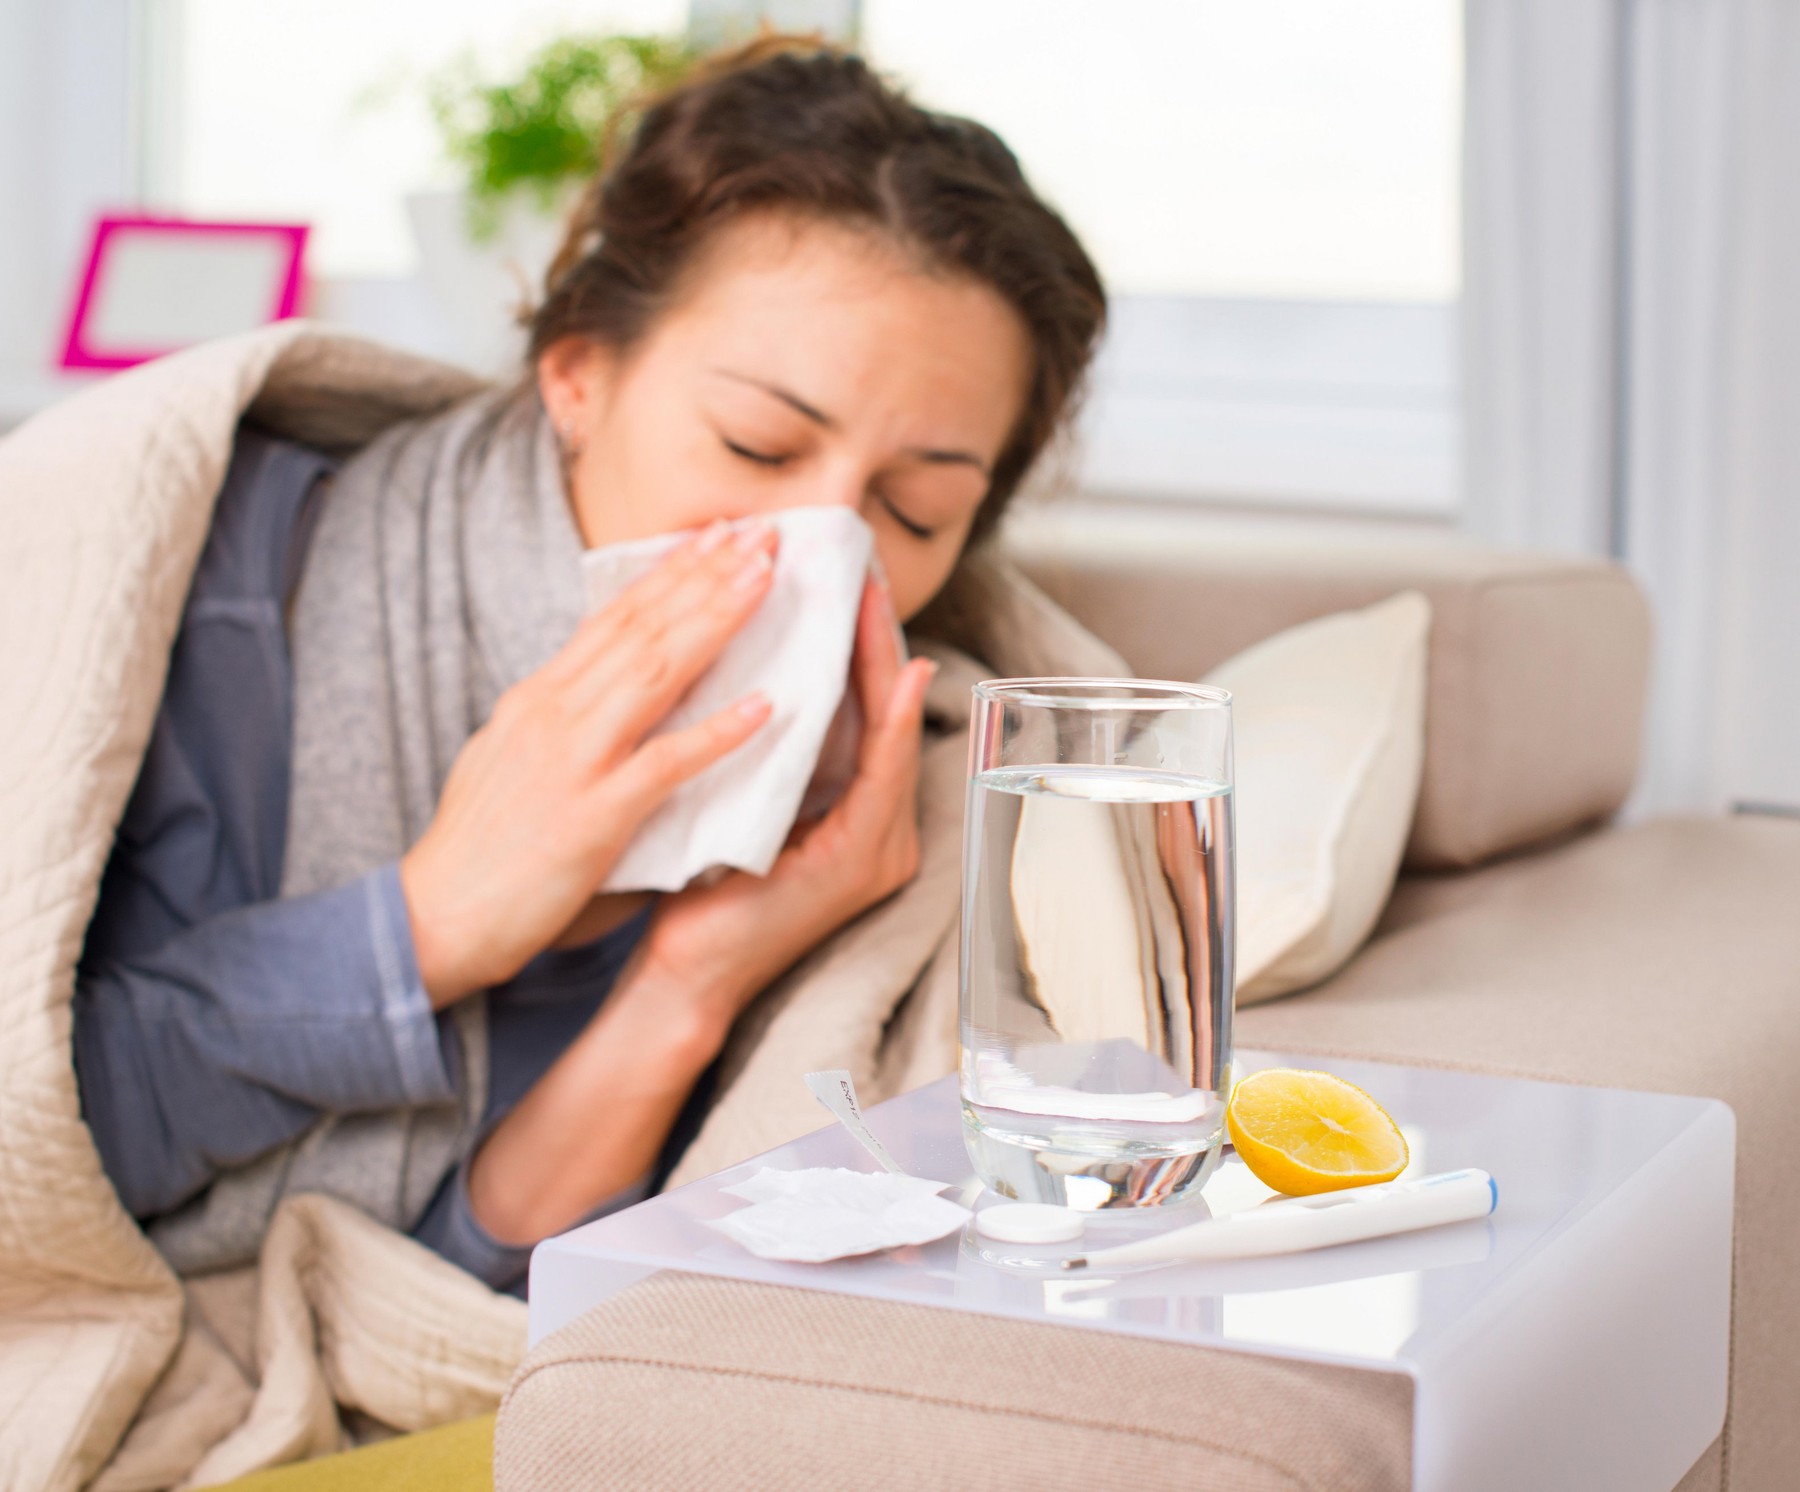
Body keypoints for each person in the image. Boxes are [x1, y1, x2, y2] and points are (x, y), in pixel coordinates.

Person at [72, 38, 1106, 1294]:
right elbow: (45, 1143)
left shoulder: (880, 799)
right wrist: (429, 924)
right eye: (757, 443)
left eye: (915, 510)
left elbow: (472, 1297)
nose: (823, 548)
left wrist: (687, 984)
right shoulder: (214, 586)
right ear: (575, 375)